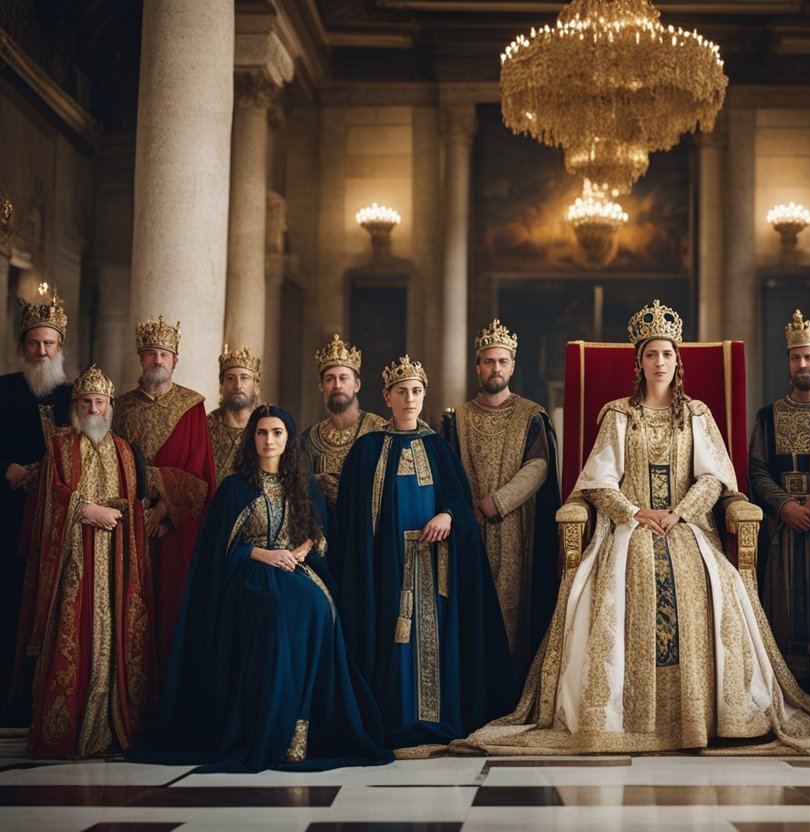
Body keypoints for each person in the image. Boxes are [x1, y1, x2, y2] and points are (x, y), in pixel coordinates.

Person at [462, 301, 810, 756]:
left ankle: (705, 711)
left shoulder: (697, 414)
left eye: (666, 354)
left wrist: (679, 513)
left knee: (705, 579)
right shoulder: (619, 414)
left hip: (686, 525)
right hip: (629, 526)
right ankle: (627, 714)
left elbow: (714, 477)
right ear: (638, 362)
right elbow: (597, 481)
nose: (659, 362)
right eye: (650, 354)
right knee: (634, 569)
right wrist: (635, 513)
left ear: (677, 361)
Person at [136, 404, 391, 772]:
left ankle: (301, 730)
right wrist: (264, 554)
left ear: (288, 439)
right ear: (252, 438)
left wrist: (297, 553)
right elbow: (217, 551)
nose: (269, 440)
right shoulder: (235, 488)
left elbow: (319, 538)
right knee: (274, 612)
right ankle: (268, 725)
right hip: (249, 574)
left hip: (297, 572)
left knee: (316, 610)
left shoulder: (301, 486)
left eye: (277, 433)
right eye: (261, 433)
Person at [333, 356, 517, 751]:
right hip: (385, 564)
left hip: (434, 565)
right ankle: (393, 722)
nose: (410, 399)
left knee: (433, 641)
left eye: (416, 392)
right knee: (390, 641)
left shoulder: (438, 447)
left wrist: (448, 516)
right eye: (401, 392)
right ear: (386, 397)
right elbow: (352, 519)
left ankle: (436, 721)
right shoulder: (367, 450)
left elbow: (459, 503)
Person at [15, 366, 154, 758]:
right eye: (86, 403)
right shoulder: (59, 447)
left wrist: (121, 512)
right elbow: (49, 495)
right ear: (76, 407)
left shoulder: (125, 450)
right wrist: (85, 510)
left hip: (116, 562)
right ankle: (68, 733)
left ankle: (111, 729)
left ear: (110, 406)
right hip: (72, 558)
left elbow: (137, 500)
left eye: (100, 402)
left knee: (114, 638)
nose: (94, 409)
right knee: (73, 634)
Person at [444, 319, 560, 680]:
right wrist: (467, 510)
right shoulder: (456, 418)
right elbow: (447, 469)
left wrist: (498, 502)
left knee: (512, 609)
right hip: (468, 530)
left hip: (515, 528)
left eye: (502, 361)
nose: (496, 368)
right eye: (489, 361)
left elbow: (539, 466)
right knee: (470, 609)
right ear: (477, 366)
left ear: (513, 366)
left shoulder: (532, 415)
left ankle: (509, 694)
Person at [113, 316, 215, 674]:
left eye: (165, 354)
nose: (158, 360)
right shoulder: (120, 407)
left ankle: (168, 700)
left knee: (172, 608)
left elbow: (200, 472)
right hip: (130, 522)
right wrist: (141, 508)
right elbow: (114, 463)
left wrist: (163, 512)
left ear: (175, 361)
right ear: (141, 358)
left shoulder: (192, 406)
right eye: (151, 353)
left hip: (173, 528)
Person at [748, 310, 810, 690]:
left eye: (808, 357)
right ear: (788, 363)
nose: (802, 364)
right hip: (780, 528)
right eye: (795, 357)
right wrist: (786, 506)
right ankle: (781, 685)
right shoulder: (767, 416)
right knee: (781, 604)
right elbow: (756, 471)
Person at [0, 287, 72, 717]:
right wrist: (5, 467)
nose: (42, 351)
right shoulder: (4, 390)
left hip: (55, 517)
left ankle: (44, 702)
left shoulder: (73, 395)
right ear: (23, 346)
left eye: (49, 344)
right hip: (7, 514)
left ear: (60, 348)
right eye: (34, 343)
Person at [301, 334, 388, 533]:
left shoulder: (379, 430)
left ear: (356, 385)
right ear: (321, 386)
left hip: (369, 532)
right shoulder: (308, 439)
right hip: (324, 536)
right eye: (330, 379)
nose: (337, 385)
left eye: (343, 378)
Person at [206, 344, 261, 482]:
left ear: (256, 385)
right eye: (230, 378)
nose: (238, 385)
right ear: (221, 385)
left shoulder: (267, 424)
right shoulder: (206, 426)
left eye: (244, 378)